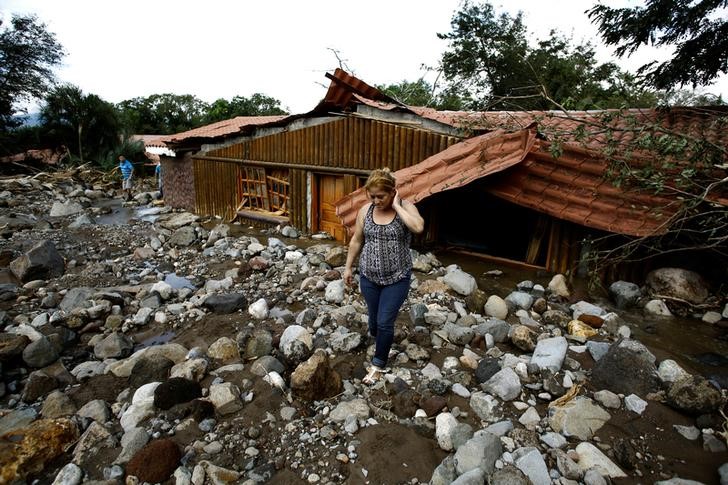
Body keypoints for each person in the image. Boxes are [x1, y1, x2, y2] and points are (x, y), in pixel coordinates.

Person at [343, 168, 425, 385]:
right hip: (369, 277)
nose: (376, 201)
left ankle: (378, 364)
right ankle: (382, 341)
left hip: (397, 278)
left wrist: (398, 205)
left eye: (381, 196)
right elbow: (357, 241)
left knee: (385, 322)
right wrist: (348, 268)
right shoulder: (365, 211)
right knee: (373, 323)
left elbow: (418, 227)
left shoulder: (405, 208)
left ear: (392, 192)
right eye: (372, 196)